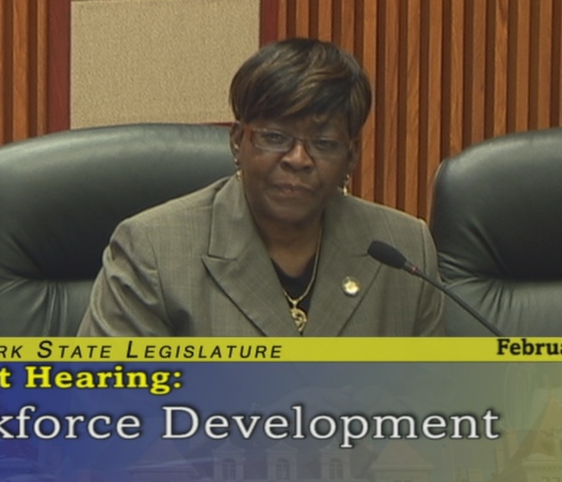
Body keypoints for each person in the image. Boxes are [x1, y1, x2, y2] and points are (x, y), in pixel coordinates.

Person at [77, 38, 444, 336]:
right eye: (275, 137)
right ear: (238, 142)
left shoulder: (404, 249)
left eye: (323, 143)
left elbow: (436, 397)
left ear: (351, 156)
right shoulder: (154, 250)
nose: (298, 159)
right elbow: (111, 399)